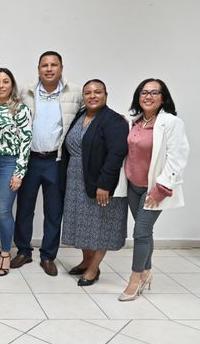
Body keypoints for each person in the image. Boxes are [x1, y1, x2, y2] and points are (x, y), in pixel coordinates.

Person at [119, 78, 189, 301]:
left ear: (163, 98)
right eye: (144, 92)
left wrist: (162, 188)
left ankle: (135, 279)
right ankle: (147, 272)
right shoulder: (135, 121)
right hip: (133, 186)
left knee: (139, 233)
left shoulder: (171, 123)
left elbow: (177, 158)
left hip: (154, 189)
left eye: (154, 92)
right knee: (145, 232)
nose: (148, 96)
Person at [14, 51, 83, 276]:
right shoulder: (26, 92)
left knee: (54, 211)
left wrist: (118, 118)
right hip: (30, 160)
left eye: (54, 65)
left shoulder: (74, 93)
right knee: (24, 209)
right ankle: (23, 251)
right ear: (38, 69)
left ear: (61, 68)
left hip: (56, 160)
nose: (49, 69)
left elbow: (93, 112)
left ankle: (48, 256)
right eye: (45, 65)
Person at [61, 79, 129, 286]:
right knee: (82, 224)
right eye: (88, 93)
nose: (92, 96)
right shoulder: (80, 116)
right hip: (76, 179)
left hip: (100, 180)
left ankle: (93, 268)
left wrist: (104, 185)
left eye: (97, 92)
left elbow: (116, 154)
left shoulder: (113, 120)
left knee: (101, 226)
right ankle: (86, 261)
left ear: (106, 95)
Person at [0, 68, 32, 276]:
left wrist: (20, 172)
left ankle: (6, 253)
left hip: (8, 163)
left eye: (5, 81)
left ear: (12, 85)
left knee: (3, 210)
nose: (1, 85)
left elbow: (26, 142)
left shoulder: (20, 109)